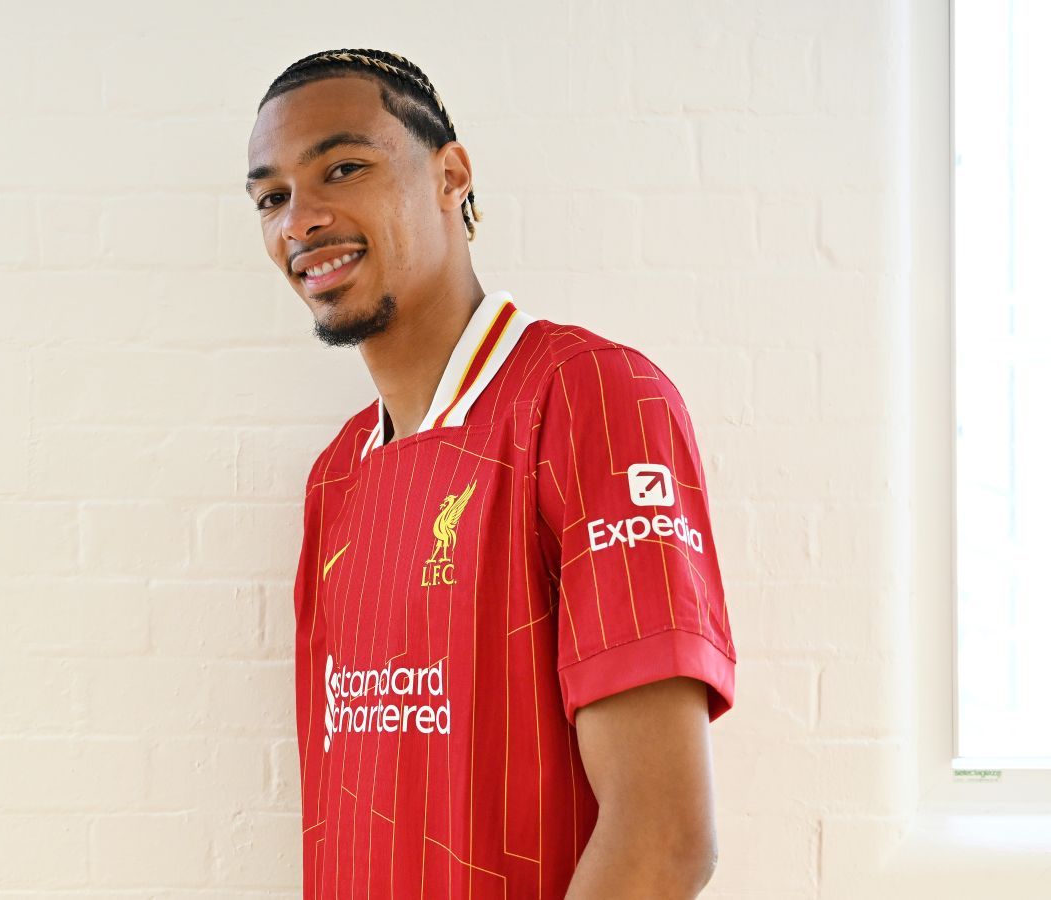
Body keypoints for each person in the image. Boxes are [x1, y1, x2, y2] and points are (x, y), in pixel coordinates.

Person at [245, 48, 737, 900]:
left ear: (451, 176)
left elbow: (664, 838)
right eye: (271, 197)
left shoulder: (592, 399)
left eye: (344, 168)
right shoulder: (336, 479)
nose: (302, 218)